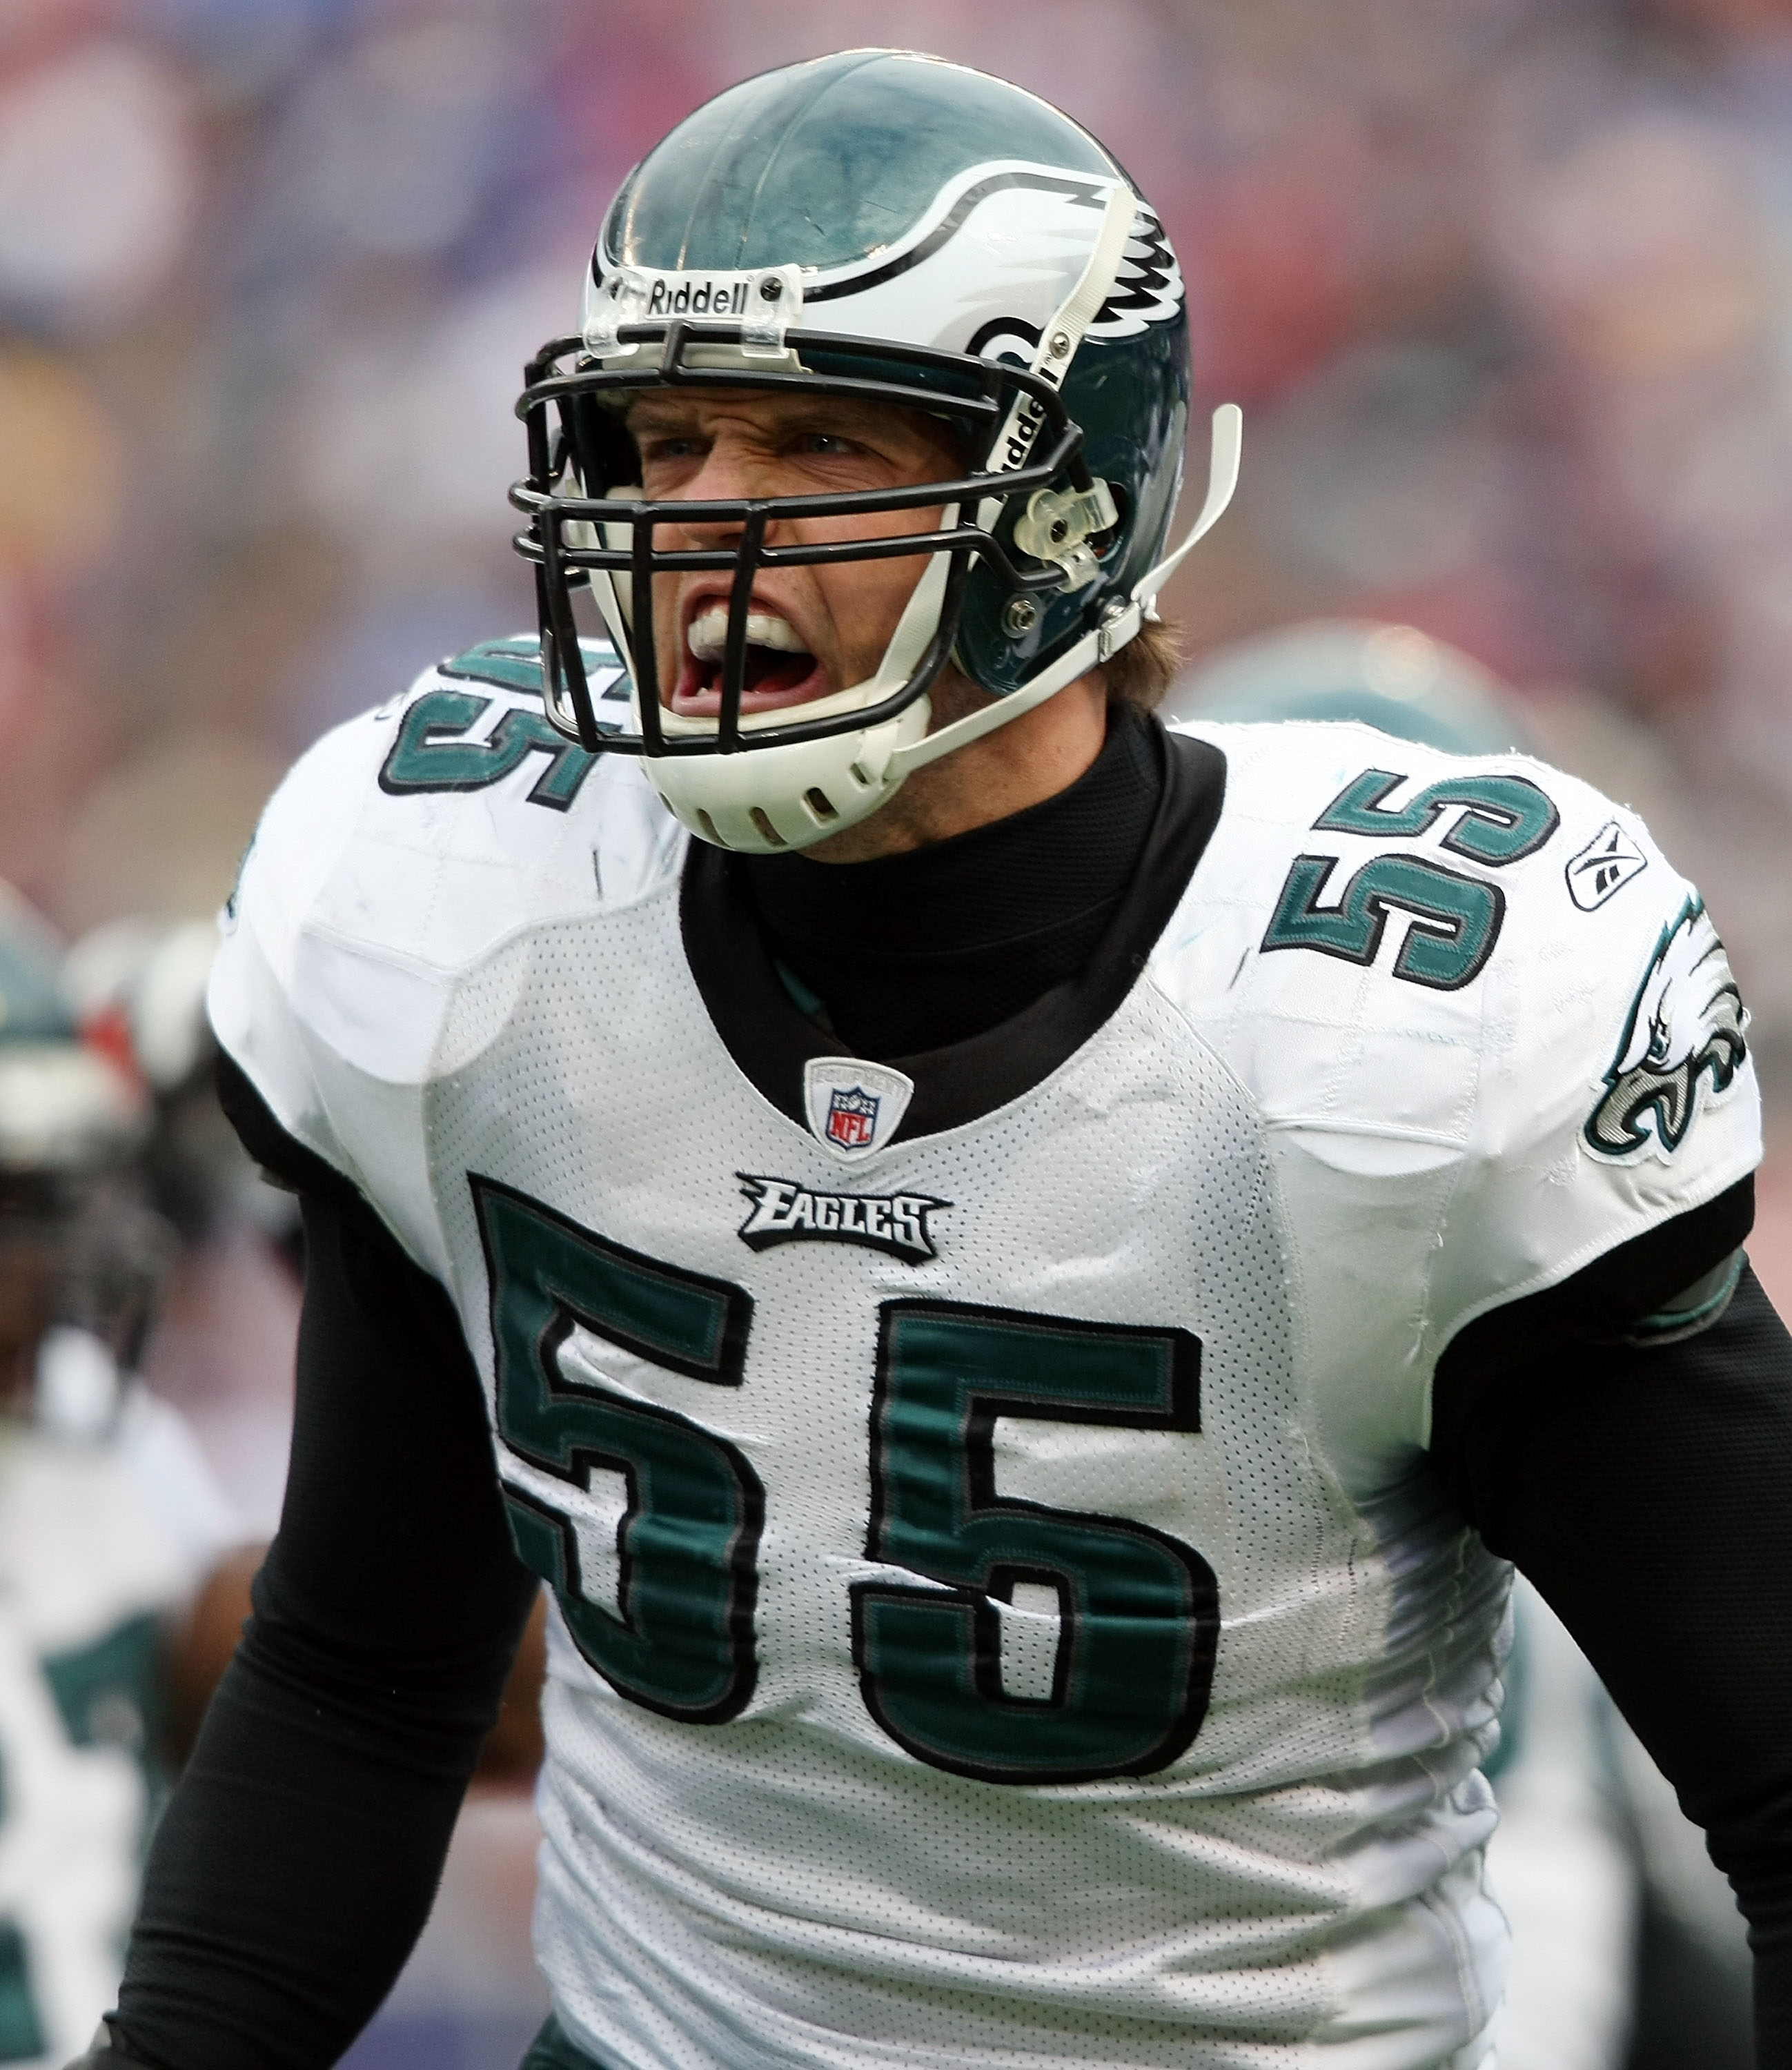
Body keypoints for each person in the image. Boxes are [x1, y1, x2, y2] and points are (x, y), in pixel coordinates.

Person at [73, 49, 1791, 2070]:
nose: (699, 520)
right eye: (666, 436)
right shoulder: (464, 901)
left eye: (815, 443)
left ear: (1064, 512)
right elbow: (367, 1670)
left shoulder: (1387, 1019)